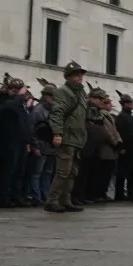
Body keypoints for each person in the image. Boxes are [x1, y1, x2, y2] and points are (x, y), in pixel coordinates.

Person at [46, 61, 89, 213]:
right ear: (68, 76)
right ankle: (52, 200)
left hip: (77, 139)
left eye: (81, 74)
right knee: (62, 171)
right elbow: (57, 113)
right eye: (76, 74)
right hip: (67, 137)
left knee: (72, 173)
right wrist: (58, 133)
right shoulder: (64, 91)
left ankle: (66, 200)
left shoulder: (81, 93)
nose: (80, 77)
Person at [0, 77, 32, 208]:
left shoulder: (20, 103)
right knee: (6, 171)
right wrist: (18, 96)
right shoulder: (4, 101)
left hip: (20, 141)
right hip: (7, 141)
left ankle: (15, 196)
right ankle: (2, 198)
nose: (17, 92)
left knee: (18, 171)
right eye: (15, 90)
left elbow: (25, 122)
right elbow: (6, 107)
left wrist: (28, 140)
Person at [114, 93, 133, 201]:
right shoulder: (122, 117)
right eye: (129, 103)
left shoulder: (128, 116)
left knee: (130, 171)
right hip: (125, 148)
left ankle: (129, 192)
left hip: (130, 148)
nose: (132, 104)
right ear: (124, 104)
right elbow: (120, 133)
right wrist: (121, 147)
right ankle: (119, 194)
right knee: (122, 172)